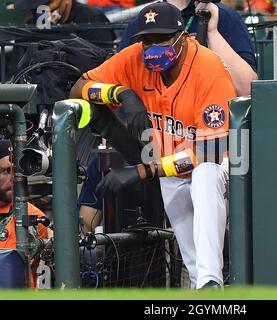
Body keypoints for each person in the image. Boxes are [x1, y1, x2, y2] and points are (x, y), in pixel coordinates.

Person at [70, 2, 236, 289]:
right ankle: (208, 289)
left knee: (203, 176)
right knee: (191, 257)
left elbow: (210, 150)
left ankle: (210, 281)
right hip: (169, 166)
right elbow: (79, 86)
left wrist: (143, 171)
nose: (152, 47)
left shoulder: (209, 70)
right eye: (147, 40)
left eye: (161, 39)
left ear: (182, 36)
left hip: (223, 164)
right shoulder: (134, 58)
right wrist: (119, 93)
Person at [118, 0, 258, 96]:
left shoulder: (222, 15)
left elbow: (246, 89)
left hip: (207, 121)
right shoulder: (145, 20)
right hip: (156, 123)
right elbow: (114, 80)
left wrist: (212, 32)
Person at [0, 140, 52, 287]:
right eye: (6, 171)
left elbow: (44, 278)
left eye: (17, 171)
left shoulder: (33, 215)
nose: (14, 178)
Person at [14, 0, 116, 47]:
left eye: (46, 4)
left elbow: (101, 64)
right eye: (34, 8)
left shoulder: (92, 18)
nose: (41, 11)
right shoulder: (28, 28)